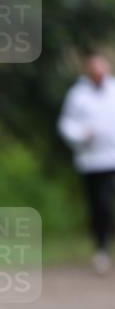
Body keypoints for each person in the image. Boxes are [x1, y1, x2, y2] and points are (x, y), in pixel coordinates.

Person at [58, 54, 115, 275]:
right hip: (91, 161)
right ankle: (101, 248)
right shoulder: (77, 95)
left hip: (112, 158)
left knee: (106, 201)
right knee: (99, 205)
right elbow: (65, 124)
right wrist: (81, 135)